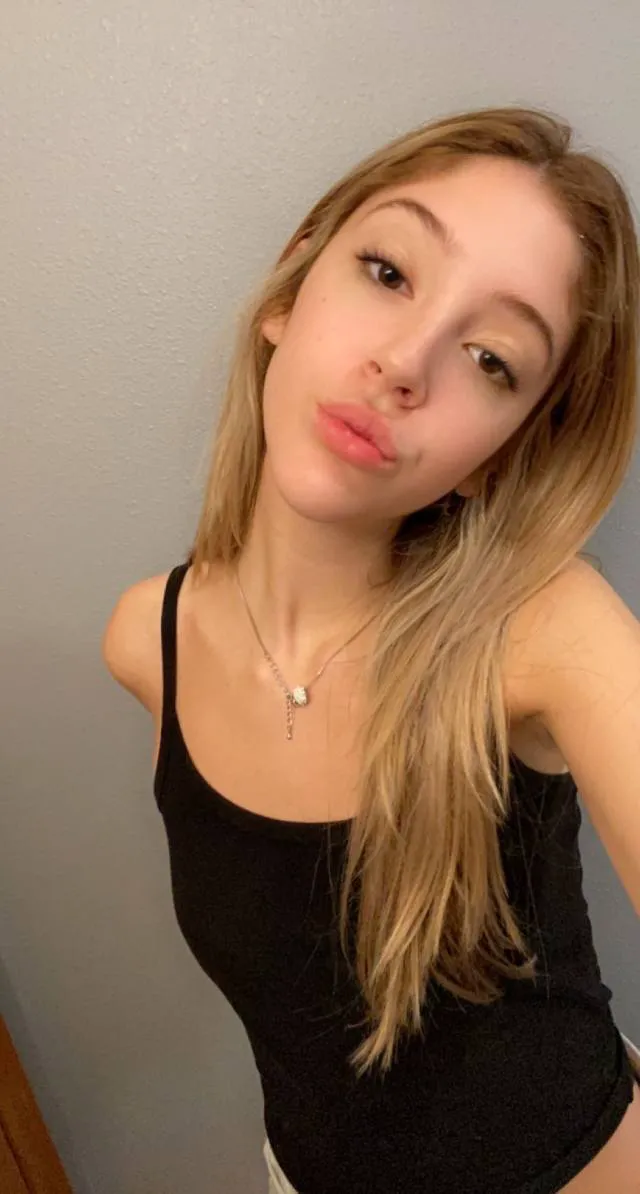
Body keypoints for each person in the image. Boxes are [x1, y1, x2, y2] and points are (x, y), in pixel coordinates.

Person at [102, 105, 640, 1192]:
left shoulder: (540, 632)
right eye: (389, 273)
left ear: (502, 455)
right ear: (291, 285)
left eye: (491, 359)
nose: (404, 361)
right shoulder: (145, 642)